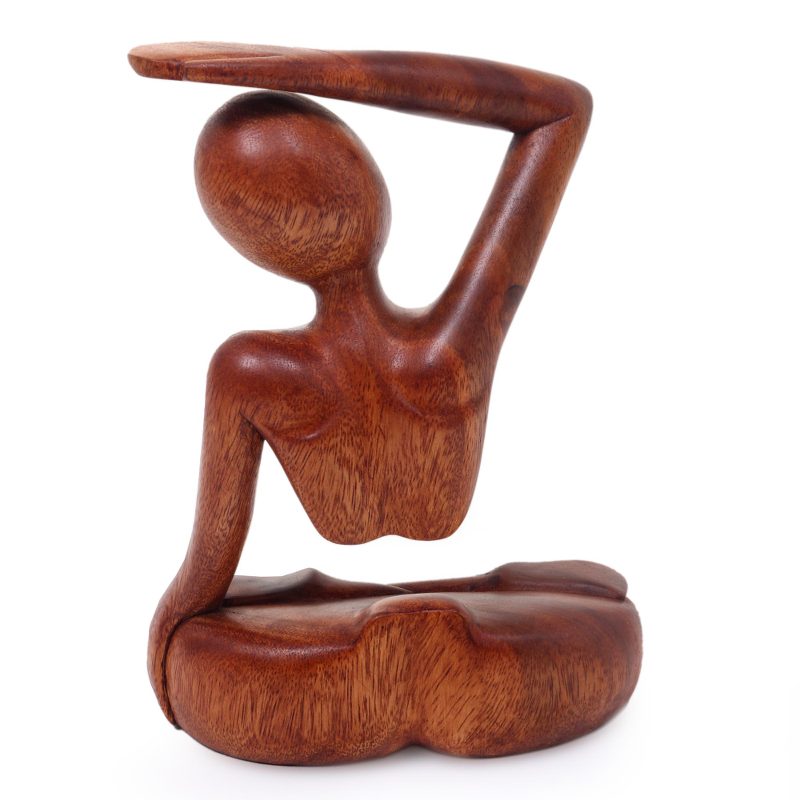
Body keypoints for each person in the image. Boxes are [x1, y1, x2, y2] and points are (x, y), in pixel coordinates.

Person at [129, 44, 592, 722]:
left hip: (313, 689)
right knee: (583, 615)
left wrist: (166, 636)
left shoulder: (250, 371)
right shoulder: (449, 348)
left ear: (254, 242)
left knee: (204, 658)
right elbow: (559, 113)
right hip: (482, 672)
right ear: (373, 195)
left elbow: (205, 573)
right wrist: (333, 78)